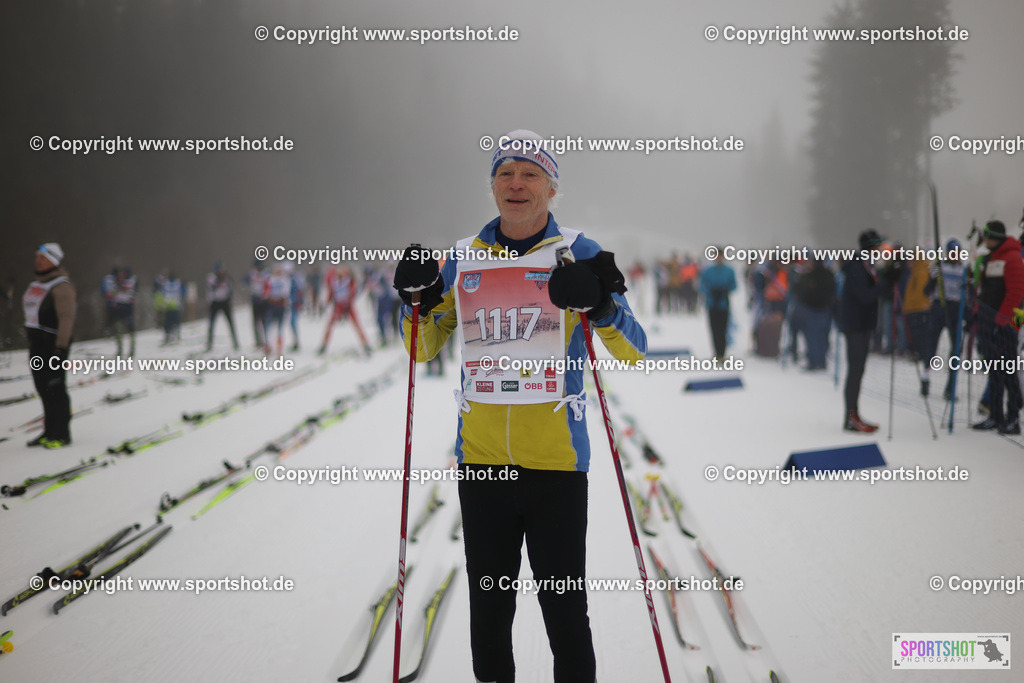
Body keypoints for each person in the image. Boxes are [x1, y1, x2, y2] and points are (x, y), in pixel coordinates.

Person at [394, 130, 646, 683]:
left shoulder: (579, 251)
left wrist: (601, 305)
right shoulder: (463, 256)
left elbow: (634, 348)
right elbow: (422, 348)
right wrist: (415, 302)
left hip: (556, 464)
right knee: (489, 617)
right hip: (482, 463)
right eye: (505, 173)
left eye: (531, 173)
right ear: (492, 186)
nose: (516, 183)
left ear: (551, 188)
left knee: (565, 616)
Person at [839, 230, 899, 432]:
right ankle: (851, 416)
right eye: (878, 246)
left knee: (858, 370)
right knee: (855, 371)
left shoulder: (867, 265)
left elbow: (876, 289)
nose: (881, 250)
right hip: (855, 326)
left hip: (862, 325)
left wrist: (889, 277)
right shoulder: (857, 267)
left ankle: (854, 414)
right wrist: (886, 282)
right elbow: (865, 296)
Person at [971, 221, 1024, 434]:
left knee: (1008, 372)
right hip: (988, 323)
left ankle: (1013, 418)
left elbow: (1016, 293)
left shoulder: (1012, 258)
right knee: (994, 372)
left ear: (994, 237)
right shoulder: (991, 258)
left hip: (1006, 326)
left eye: (986, 236)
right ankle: (995, 415)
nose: (984, 239)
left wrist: (1002, 322)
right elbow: (984, 290)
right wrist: (976, 314)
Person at [23, 243, 76, 448]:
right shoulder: (36, 284)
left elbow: (66, 319)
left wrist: (60, 348)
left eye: (43, 258)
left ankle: (62, 433)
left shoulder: (62, 286)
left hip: (54, 346)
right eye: (37, 257)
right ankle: (49, 430)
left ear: (53, 261)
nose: (38, 261)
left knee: (55, 388)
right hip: (37, 344)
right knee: (42, 388)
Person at [791, 257, 837, 371]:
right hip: (825, 309)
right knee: (822, 337)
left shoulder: (809, 276)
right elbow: (833, 291)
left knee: (812, 337)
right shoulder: (829, 275)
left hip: (811, 309)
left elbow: (801, 292)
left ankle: (813, 362)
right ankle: (821, 361)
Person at [318, 265, 371, 355]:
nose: (341, 272)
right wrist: (326, 304)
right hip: (338, 306)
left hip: (348, 306)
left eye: (343, 270)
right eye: (339, 270)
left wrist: (348, 304)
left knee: (357, 325)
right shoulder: (334, 281)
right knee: (330, 325)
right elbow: (331, 294)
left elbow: (353, 293)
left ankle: (365, 345)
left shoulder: (350, 281)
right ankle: (324, 345)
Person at [698, 249, 736, 360]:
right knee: (714, 329)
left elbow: (734, 285)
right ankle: (716, 352)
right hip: (712, 303)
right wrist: (711, 291)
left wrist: (725, 290)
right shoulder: (708, 271)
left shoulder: (729, 271)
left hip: (723, 303)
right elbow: (702, 285)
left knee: (723, 329)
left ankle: (722, 353)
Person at [206, 261, 239, 351]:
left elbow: (231, 288)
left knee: (230, 323)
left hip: (225, 302)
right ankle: (209, 343)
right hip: (215, 302)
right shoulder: (211, 277)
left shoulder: (226, 277)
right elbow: (211, 288)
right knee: (211, 324)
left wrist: (230, 299)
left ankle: (235, 342)